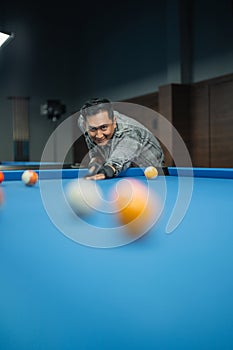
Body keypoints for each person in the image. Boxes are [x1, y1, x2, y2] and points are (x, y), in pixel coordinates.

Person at [78, 98, 164, 180]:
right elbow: (97, 151)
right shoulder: (82, 122)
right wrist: (95, 163)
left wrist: (107, 170)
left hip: (147, 170)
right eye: (93, 129)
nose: (99, 135)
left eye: (104, 127)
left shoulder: (129, 132)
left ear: (114, 122)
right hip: (118, 168)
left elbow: (117, 160)